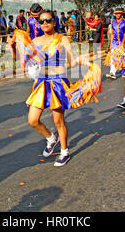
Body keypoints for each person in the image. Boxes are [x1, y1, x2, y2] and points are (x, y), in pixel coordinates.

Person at [24, 10, 80, 167]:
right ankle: (51, 138)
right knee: (32, 120)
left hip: (57, 82)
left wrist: (65, 55)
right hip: (42, 82)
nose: (45, 23)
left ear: (54, 22)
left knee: (58, 120)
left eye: (48, 20)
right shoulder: (36, 41)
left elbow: (72, 63)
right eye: (41, 21)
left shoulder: (62, 39)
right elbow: (28, 60)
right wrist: (14, 47)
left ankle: (64, 152)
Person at [106, 8, 125, 80]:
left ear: (121, 14)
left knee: (123, 57)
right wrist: (111, 44)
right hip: (115, 42)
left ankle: (124, 71)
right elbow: (112, 34)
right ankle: (112, 72)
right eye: (116, 13)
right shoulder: (113, 22)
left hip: (122, 42)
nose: (117, 15)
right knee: (113, 57)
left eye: (119, 13)